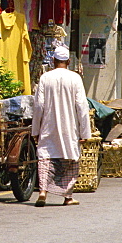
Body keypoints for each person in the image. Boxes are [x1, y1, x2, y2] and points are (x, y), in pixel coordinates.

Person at [31, 46, 92, 207]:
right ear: (69, 61)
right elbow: (82, 106)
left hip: (48, 126)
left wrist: (35, 129)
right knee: (70, 159)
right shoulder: (75, 78)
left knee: (45, 157)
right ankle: (67, 196)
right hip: (69, 127)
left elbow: (38, 105)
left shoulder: (45, 77)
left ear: (53, 61)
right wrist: (85, 132)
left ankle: (43, 191)